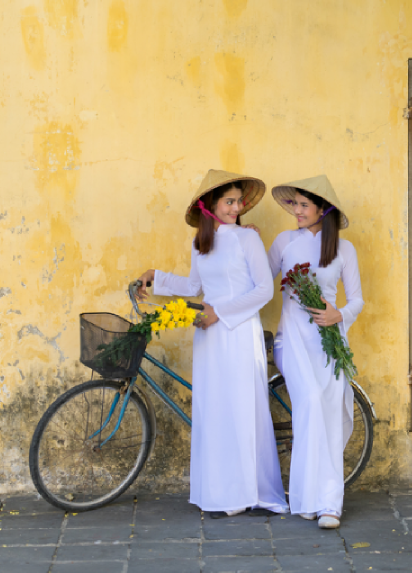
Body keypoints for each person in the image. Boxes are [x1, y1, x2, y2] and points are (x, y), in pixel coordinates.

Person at [136, 169, 287, 516]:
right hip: (209, 337)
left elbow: (263, 290)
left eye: (239, 201)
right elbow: (193, 288)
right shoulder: (200, 244)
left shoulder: (247, 239)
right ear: (210, 207)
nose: (236, 208)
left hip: (237, 329)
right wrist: (154, 276)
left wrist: (220, 312)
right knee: (216, 411)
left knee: (240, 409)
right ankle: (222, 492)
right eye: (229, 202)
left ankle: (246, 493)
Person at [267, 175, 363, 528]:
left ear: (323, 210)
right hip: (291, 339)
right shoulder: (284, 243)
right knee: (308, 401)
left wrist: (339, 314)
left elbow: (357, 299)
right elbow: (262, 283)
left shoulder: (343, 249)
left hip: (329, 342)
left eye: (304, 205)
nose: (296, 211)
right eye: (294, 204)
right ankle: (308, 498)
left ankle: (329, 504)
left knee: (328, 411)